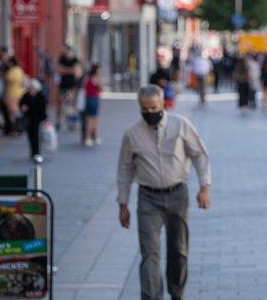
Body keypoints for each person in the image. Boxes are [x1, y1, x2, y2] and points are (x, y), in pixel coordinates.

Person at [117, 85, 211, 300]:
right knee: (150, 254)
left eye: (154, 107)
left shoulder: (180, 125)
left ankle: (177, 292)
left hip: (178, 193)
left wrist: (204, 187)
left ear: (162, 105)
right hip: (148, 198)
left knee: (178, 250)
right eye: (145, 108)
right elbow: (124, 168)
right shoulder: (132, 134)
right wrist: (123, 204)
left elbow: (199, 154)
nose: (150, 112)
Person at [20, 79, 48, 160]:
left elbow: (43, 108)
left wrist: (44, 119)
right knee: (30, 135)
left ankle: (37, 151)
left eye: (33, 88)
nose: (32, 89)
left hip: (37, 119)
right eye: (31, 87)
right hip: (28, 118)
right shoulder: (26, 95)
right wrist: (22, 108)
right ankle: (33, 151)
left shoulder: (40, 96)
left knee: (36, 135)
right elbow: (21, 103)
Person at [56, 45, 82, 128]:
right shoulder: (61, 59)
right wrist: (70, 70)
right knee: (61, 104)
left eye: (64, 50)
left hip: (72, 86)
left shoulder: (75, 59)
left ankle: (71, 123)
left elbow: (77, 72)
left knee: (70, 105)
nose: (63, 51)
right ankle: (59, 121)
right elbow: (58, 69)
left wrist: (65, 70)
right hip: (62, 85)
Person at [2, 58, 26, 136]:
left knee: (13, 112)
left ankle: (15, 129)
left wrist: (4, 95)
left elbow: (6, 82)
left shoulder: (11, 71)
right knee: (17, 111)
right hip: (20, 93)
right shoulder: (20, 70)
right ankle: (19, 128)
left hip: (11, 94)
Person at [83, 64, 103, 146]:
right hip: (94, 99)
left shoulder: (87, 78)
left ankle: (88, 137)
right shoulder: (96, 78)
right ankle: (93, 137)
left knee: (88, 119)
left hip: (88, 98)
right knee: (94, 119)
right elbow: (101, 87)